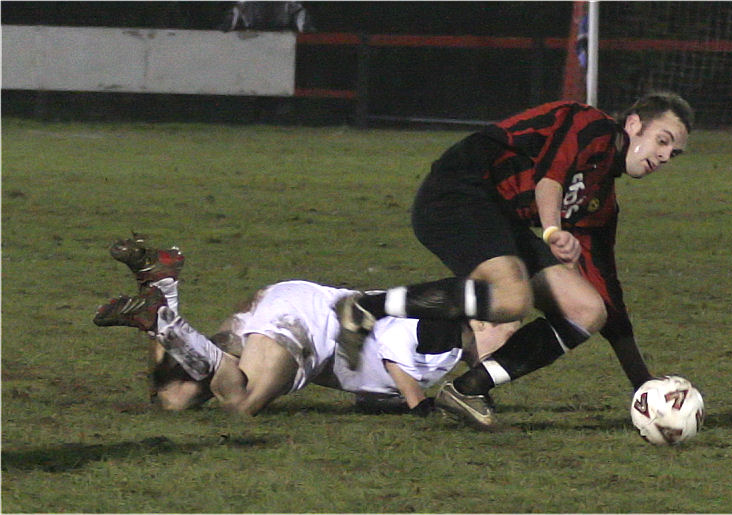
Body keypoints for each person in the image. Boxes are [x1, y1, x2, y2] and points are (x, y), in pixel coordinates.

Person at [336, 91, 694, 428]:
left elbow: (609, 293)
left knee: (588, 309)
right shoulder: (590, 124)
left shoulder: (600, 201)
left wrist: (644, 385)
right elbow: (549, 179)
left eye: (673, 153)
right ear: (633, 125)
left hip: (499, 219)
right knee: (512, 298)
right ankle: (366, 307)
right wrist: (553, 233)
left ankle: (468, 389)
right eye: (663, 140)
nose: (664, 156)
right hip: (459, 189)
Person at [92, 238, 518, 417]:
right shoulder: (442, 329)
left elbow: (368, 387)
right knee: (240, 402)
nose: (509, 340)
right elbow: (393, 350)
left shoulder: (452, 350)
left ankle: (160, 289)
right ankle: (162, 317)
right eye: (509, 328)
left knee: (176, 397)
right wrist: (417, 403)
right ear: (479, 319)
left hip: (289, 303)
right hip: (309, 324)